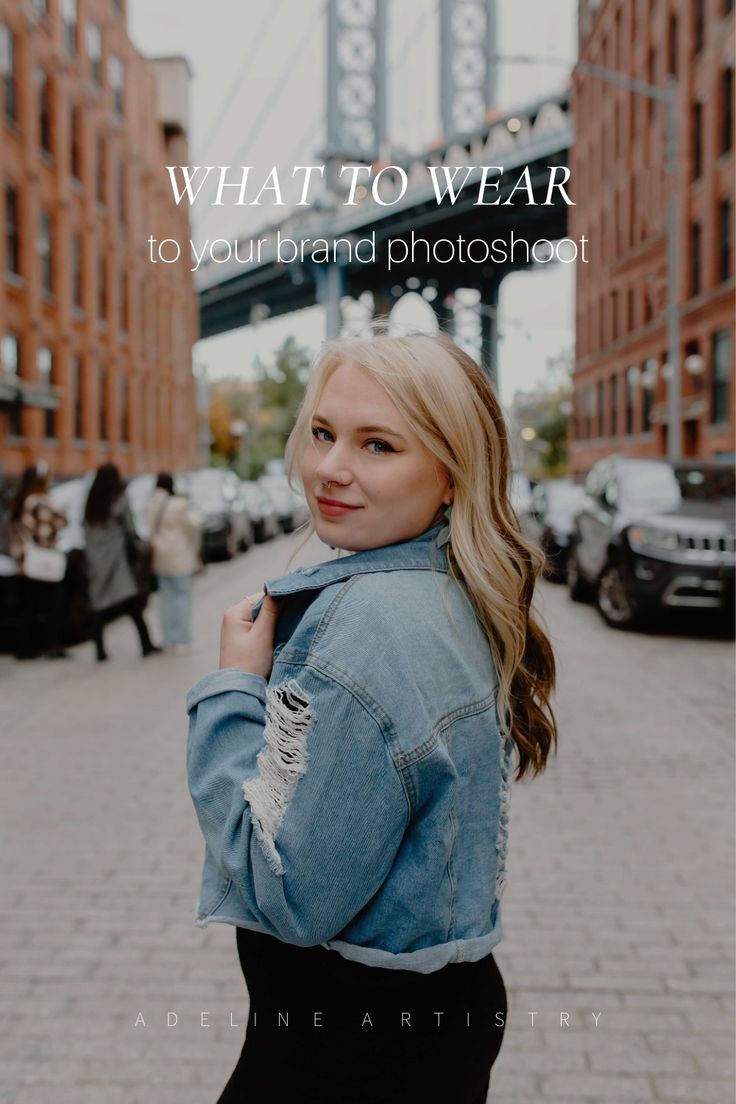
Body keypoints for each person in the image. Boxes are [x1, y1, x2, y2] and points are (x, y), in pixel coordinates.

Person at [186, 331, 558, 1104]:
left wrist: (229, 691)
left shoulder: (360, 629)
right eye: (323, 433)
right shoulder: (452, 590)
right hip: (435, 1023)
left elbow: (288, 893)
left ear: (453, 476)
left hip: (345, 1052)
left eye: (378, 445)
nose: (329, 468)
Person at [83, 463, 161, 662]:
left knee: (99, 605)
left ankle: (100, 651)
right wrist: (139, 546)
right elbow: (129, 528)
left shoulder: (92, 501)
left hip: (96, 560)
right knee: (132, 603)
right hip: (117, 559)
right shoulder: (118, 498)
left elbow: (85, 531)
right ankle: (146, 645)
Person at [9, 462, 68, 660]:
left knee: (28, 607)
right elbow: (58, 523)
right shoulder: (40, 502)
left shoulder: (22, 500)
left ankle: (25, 648)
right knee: (51, 606)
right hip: (43, 561)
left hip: (24, 562)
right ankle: (52, 646)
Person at [143, 473, 202, 655]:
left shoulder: (149, 505)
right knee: (182, 599)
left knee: (165, 600)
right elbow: (195, 524)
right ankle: (182, 639)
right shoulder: (179, 504)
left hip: (160, 558)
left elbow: (148, 528)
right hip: (180, 557)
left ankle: (168, 638)